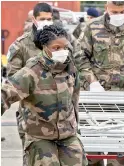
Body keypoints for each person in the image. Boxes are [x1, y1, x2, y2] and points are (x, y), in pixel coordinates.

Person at [76, 1, 124, 165]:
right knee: (92, 150)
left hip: (122, 98)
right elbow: (79, 56)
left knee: (117, 150)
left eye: (122, 11)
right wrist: (92, 81)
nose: (118, 15)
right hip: (95, 97)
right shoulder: (92, 28)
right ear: (106, 9)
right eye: (114, 11)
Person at [6, 3, 83, 165]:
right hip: (39, 131)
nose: (62, 51)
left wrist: (75, 125)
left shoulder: (70, 66)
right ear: (45, 48)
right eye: (56, 48)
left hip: (67, 133)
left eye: (65, 48)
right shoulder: (31, 69)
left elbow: (74, 97)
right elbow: (8, 89)